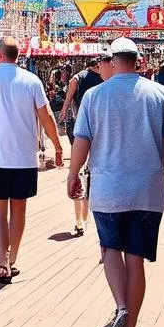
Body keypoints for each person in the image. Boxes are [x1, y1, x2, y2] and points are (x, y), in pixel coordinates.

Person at [67, 37, 164, 327]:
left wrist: (72, 173)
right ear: (138, 60)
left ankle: (121, 308)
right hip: (148, 189)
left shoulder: (94, 96)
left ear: (113, 61)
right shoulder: (160, 95)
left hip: (107, 190)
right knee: (135, 259)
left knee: (109, 250)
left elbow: (82, 142)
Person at [0, 37, 63, 282]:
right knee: (18, 208)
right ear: (18, 55)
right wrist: (58, 146)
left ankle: (1, 261)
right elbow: (47, 115)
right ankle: (13, 259)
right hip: (24, 158)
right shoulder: (31, 81)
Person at [60, 53, 111, 235]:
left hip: (78, 124)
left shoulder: (77, 77)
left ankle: (80, 218)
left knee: (79, 166)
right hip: (97, 125)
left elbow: (69, 96)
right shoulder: (104, 80)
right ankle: (85, 214)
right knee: (90, 166)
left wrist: (64, 111)